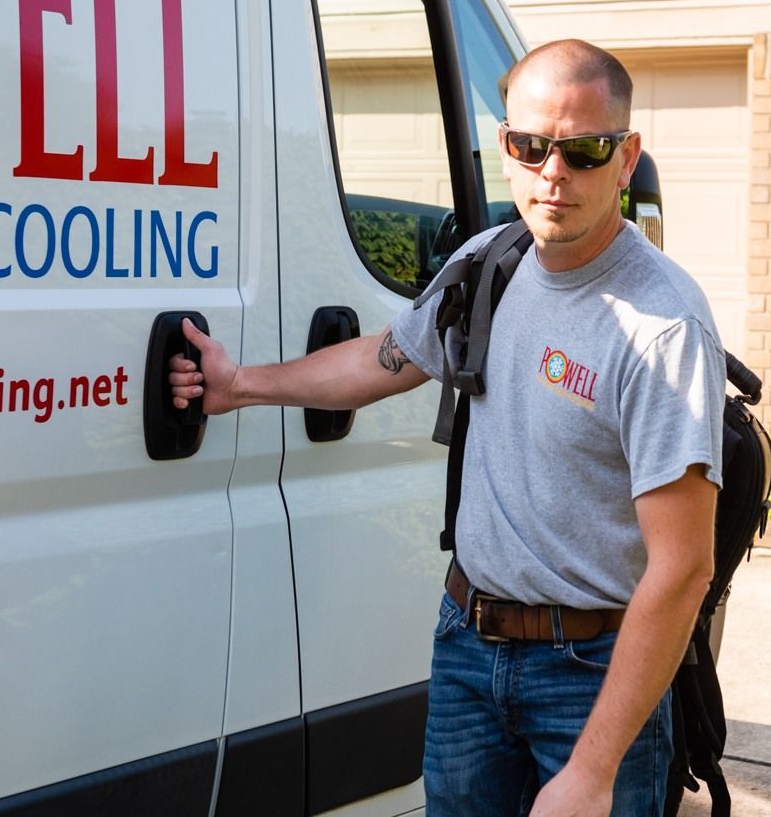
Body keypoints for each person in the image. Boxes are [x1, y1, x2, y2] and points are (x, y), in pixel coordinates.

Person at [169, 39, 725, 817]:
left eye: (585, 151)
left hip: (590, 675)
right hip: (468, 649)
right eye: (532, 147)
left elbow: (682, 570)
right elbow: (383, 358)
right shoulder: (489, 264)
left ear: (627, 159)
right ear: (505, 149)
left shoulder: (661, 327)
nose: (553, 173)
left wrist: (594, 771)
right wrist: (239, 386)